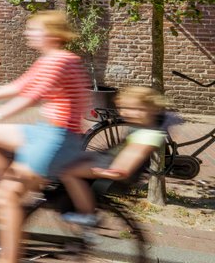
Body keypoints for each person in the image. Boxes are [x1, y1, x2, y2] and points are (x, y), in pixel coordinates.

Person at [0, 9, 90, 263]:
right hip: (45, 131)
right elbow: (18, 86)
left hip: (58, 138)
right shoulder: (48, 59)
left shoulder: (60, 61)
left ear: (51, 34)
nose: (28, 32)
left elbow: (31, 97)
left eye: (34, 28)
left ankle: (10, 249)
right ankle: (10, 195)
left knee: (8, 196)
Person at [58, 85, 171, 225]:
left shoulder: (147, 135)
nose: (129, 113)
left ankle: (87, 214)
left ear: (152, 109)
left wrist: (108, 172)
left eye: (137, 109)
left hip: (111, 167)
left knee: (68, 173)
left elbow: (131, 159)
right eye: (125, 108)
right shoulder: (145, 127)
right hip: (108, 159)